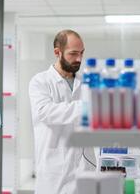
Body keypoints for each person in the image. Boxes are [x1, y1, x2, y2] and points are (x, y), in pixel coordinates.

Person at [29, 29, 94, 194]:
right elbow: (46, 112)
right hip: (54, 172)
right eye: (73, 53)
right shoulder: (40, 81)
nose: (79, 58)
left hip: (85, 168)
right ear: (57, 52)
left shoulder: (86, 83)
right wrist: (87, 107)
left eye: (81, 53)